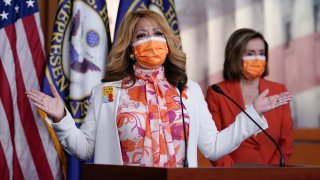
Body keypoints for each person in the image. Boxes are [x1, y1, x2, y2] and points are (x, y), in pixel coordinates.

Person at [27, 10, 292, 168]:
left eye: (158, 33)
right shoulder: (107, 92)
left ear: (168, 42)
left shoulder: (188, 90)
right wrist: (62, 119)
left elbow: (213, 147)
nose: (152, 40)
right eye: (142, 36)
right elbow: (85, 149)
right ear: (130, 49)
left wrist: (252, 113)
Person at [205, 28, 294, 166]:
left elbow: (286, 142)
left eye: (261, 53)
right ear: (235, 56)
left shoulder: (279, 90)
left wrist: (272, 174)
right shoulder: (217, 92)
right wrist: (234, 173)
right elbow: (213, 143)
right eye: (250, 53)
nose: (257, 58)